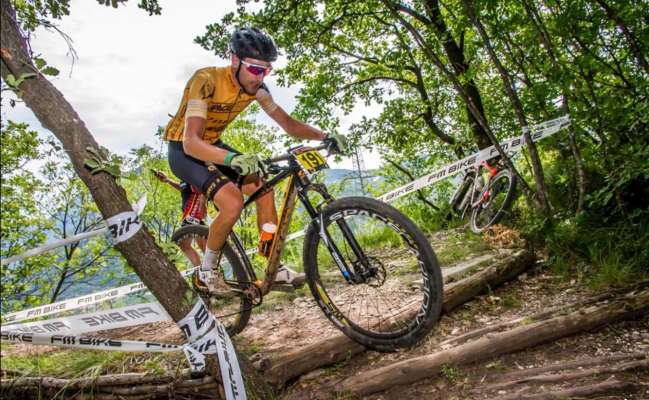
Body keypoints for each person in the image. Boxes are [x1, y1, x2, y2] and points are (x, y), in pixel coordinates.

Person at [163, 27, 348, 296]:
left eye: (267, 70)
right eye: (255, 69)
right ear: (234, 60)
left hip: (212, 144)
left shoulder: (257, 89)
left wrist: (325, 136)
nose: (260, 77)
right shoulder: (206, 79)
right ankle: (207, 271)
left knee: (263, 189)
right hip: (184, 149)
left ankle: (274, 264)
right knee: (232, 201)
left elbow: (288, 124)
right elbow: (192, 141)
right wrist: (233, 158)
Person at [151, 169, 207, 269]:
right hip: (189, 210)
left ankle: (205, 272)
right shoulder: (183, 176)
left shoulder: (189, 171)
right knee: (190, 244)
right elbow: (184, 189)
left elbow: (201, 187)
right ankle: (206, 271)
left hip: (192, 208)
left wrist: (202, 205)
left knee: (186, 242)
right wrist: (167, 180)